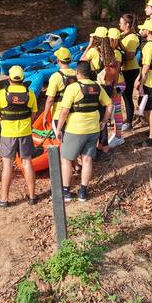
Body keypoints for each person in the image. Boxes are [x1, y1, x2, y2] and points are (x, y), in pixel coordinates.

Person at [55, 63, 112, 202]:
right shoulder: (97, 86)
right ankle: (83, 191)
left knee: (66, 159)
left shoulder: (73, 88)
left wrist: (58, 129)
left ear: (77, 72)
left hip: (75, 129)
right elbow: (109, 105)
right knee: (87, 159)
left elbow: (64, 111)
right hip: (93, 129)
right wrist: (104, 121)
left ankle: (66, 191)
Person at [0, 65, 38, 208]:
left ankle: (4, 199)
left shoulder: (2, 94)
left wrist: (4, 124)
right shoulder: (30, 93)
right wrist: (27, 124)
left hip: (8, 135)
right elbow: (33, 113)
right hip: (25, 133)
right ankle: (32, 197)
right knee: (27, 163)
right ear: (23, 79)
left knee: (7, 166)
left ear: (10, 79)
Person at [134, 20, 152, 147]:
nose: (141, 31)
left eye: (143, 29)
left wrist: (140, 84)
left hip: (149, 81)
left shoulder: (149, 46)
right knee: (147, 108)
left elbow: (145, 68)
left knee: (150, 109)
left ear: (148, 31)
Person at [42, 47, 76, 133]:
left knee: (61, 140)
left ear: (58, 60)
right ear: (70, 60)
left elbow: (50, 99)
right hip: (74, 113)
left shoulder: (55, 77)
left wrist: (45, 116)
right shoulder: (77, 74)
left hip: (59, 114)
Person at [118, 14, 140, 132]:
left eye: (121, 22)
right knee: (121, 96)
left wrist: (117, 58)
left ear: (127, 24)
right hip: (122, 69)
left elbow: (130, 56)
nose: (119, 24)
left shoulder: (132, 38)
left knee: (127, 96)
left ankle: (129, 121)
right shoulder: (123, 35)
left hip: (130, 70)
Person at [105, 27, 126, 147]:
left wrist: (113, 87)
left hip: (118, 84)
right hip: (115, 83)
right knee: (114, 109)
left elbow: (116, 71)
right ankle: (116, 134)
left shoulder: (116, 52)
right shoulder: (114, 51)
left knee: (117, 109)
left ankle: (118, 136)